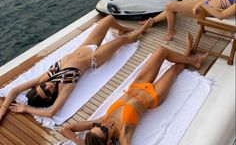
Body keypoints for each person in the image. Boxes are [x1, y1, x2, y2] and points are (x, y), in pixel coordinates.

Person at [61, 34, 208, 145]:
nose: (103, 126)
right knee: (174, 69)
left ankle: (189, 56)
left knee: (161, 51)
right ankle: (191, 58)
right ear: (109, 140)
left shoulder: (103, 120)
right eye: (104, 131)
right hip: (154, 95)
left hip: (138, 85)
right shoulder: (124, 134)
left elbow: (67, 129)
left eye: (98, 127)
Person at [0, 15, 152, 123]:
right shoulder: (65, 87)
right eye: (47, 91)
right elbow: (51, 112)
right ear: (49, 97)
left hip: (85, 46)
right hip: (94, 57)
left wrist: (2, 112)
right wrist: (26, 109)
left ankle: (122, 28)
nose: (47, 86)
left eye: (42, 87)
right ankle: (142, 30)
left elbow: (14, 90)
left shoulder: (43, 78)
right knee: (122, 41)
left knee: (109, 19)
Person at [141, 0, 236, 41]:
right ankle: (152, 21)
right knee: (175, 6)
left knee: (170, 6)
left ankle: (171, 32)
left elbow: (221, 15)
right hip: (208, 2)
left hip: (207, 10)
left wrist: (203, 4)